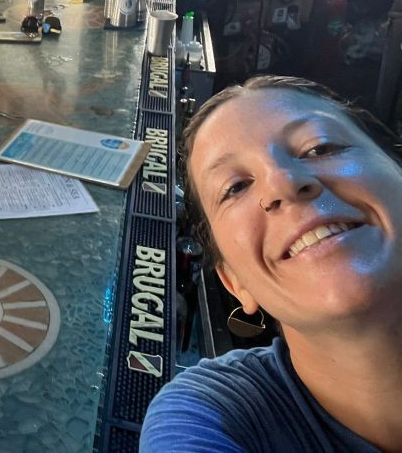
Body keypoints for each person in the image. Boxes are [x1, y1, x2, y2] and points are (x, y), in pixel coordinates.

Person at [141, 75, 402, 452]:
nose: (283, 183)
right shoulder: (210, 415)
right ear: (234, 282)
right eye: (235, 187)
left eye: (319, 147)